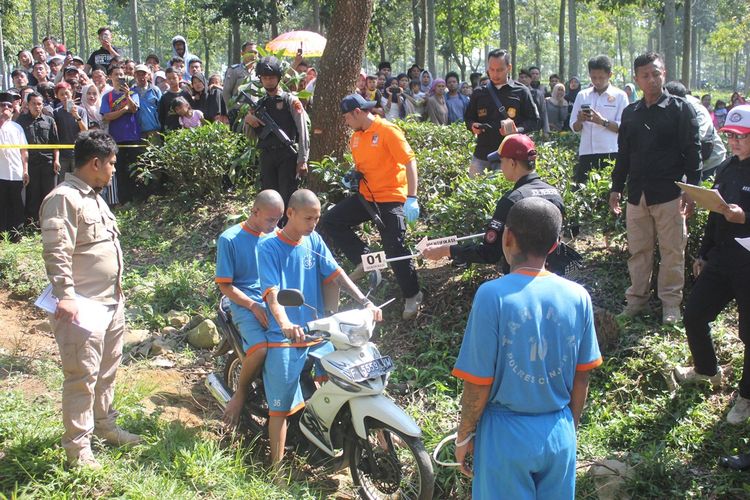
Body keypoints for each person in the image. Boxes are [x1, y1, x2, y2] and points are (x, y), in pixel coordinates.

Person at [452, 197, 602, 499]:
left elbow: (478, 382)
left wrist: (464, 435)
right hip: (559, 430)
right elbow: (581, 377)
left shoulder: (492, 295)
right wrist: (566, 431)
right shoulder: (578, 296)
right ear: (554, 245)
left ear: (508, 237)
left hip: (505, 437)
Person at [258, 189, 382, 469]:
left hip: (317, 332)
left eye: (316, 218)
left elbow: (336, 272)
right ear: (289, 214)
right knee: (280, 406)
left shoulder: (313, 239)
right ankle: (276, 470)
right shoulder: (268, 248)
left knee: (349, 381)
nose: (313, 224)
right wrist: (286, 324)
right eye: (308, 218)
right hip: (285, 337)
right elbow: (272, 293)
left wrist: (365, 301)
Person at [40, 130, 141, 469]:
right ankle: (78, 449)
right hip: (82, 308)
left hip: (110, 304)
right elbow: (57, 251)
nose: (114, 169)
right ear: (95, 163)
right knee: (81, 377)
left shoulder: (94, 197)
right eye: (111, 163)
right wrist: (66, 296)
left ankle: (105, 426)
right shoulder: (64, 198)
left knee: (106, 372)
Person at [609, 52, 701, 325]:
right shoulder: (631, 113)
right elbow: (623, 154)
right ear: (636, 79)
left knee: (672, 251)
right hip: (637, 194)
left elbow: (693, 153)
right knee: (638, 251)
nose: (651, 80)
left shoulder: (681, 110)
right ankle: (636, 300)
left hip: (670, 194)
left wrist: (691, 189)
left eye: (656, 73)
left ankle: (670, 305)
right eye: (645, 75)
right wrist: (616, 187)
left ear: (664, 73)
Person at [673, 104, 750, 427]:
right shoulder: (728, 168)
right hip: (722, 258)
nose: (734, 142)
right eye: (730, 135)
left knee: (748, 333)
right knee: (695, 314)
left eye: (741, 137)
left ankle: (745, 397)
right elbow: (716, 218)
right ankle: (707, 370)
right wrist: (703, 254)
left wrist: (745, 217)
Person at [320, 94, 423, 320]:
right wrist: (353, 176)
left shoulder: (387, 130)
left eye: (346, 116)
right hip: (366, 197)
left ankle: (412, 294)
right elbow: (364, 166)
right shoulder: (355, 138)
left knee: (395, 246)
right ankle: (366, 261)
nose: (345, 121)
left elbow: (409, 161)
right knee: (331, 220)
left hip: (391, 197)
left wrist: (412, 196)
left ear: (357, 112)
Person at [422, 134, 565, 274]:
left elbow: (490, 253)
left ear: (512, 163)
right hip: (553, 276)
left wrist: (446, 250)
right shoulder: (555, 193)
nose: (500, 166)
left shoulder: (512, 200)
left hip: (519, 282)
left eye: (501, 161)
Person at [217, 189, 285, 427]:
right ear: (255, 211)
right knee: (260, 349)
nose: (275, 225)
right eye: (270, 219)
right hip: (245, 302)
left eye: (279, 219)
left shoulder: (276, 236)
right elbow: (226, 286)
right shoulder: (230, 239)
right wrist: (253, 305)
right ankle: (240, 393)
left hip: (275, 299)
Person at [243, 56, 309, 210]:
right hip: (267, 155)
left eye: (271, 77)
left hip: (287, 155)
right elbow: (251, 137)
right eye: (265, 78)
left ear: (278, 78)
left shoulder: (291, 101)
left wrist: (302, 159)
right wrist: (249, 121)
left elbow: (303, 130)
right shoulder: (259, 105)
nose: (268, 81)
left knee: (287, 197)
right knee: (269, 198)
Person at [464, 49, 540, 177]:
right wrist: (472, 126)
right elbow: (468, 118)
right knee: (472, 191)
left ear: (509, 68)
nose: (494, 74)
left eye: (499, 70)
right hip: (482, 154)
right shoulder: (479, 93)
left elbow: (535, 121)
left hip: (511, 157)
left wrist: (517, 130)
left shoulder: (521, 91)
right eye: (491, 69)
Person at [569, 55, 629, 186]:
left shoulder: (620, 96)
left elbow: (624, 127)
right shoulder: (582, 95)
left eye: (601, 77)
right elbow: (573, 126)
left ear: (610, 75)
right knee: (583, 192)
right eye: (593, 77)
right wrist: (580, 121)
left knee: (609, 192)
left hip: (610, 153)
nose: (597, 81)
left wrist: (602, 121)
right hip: (586, 153)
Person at [664, 81, 727, 180]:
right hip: (688, 161)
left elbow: (697, 136)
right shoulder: (665, 106)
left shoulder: (698, 109)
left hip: (712, 161)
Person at [16, 92, 60, 225]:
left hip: (47, 162)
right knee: (32, 194)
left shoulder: (49, 120)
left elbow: (56, 143)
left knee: (49, 194)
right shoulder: (21, 121)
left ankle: (48, 223)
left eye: (39, 103)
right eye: (33, 103)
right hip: (31, 163)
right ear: (28, 105)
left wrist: (56, 160)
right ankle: (32, 224)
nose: (37, 106)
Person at [101, 65, 141, 204]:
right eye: (116, 74)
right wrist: (124, 110)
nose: (119, 77)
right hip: (116, 137)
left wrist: (127, 96)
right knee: (120, 170)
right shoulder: (107, 96)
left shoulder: (133, 92)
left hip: (133, 136)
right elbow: (106, 116)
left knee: (136, 167)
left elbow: (134, 108)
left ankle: (137, 198)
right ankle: (124, 200)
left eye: (121, 74)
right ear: (110, 77)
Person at [0, 92, 28, 242]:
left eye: (9, 106)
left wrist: (25, 170)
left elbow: (24, 150)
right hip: (1, 174)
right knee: (2, 206)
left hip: (16, 173)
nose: (5, 108)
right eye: (2, 105)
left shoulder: (17, 127)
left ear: (13, 109)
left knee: (17, 205)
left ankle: (16, 235)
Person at [52, 82, 88, 180]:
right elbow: (55, 135)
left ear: (71, 92)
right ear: (57, 96)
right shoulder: (56, 112)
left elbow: (85, 131)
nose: (65, 97)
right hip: (63, 155)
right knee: (63, 182)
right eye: (61, 94)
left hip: (77, 153)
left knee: (79, 182)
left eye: (67, 93)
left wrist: (76, 116)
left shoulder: (81, 111)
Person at [223, 41, 258, 124]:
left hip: (255, 113)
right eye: (250, 52)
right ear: (242, 54)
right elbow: (226, 93)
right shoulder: (234, 70)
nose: (253, 55)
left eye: (255, 52)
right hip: (238, 113)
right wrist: (232, 109)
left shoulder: (259, 72)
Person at [131, 64, 162, 142]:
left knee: (156, 152)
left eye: (143, 74)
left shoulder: (155, 90)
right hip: (137, 132)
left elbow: (162, 108)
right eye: (138, 75)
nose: (141, 77)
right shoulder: (131, 91)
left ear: (148, 75)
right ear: (134, 76)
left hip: (154, 130)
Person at [158, 67, 192, 133]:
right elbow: (161, 116)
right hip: (170, 130)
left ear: (179, 78)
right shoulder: (164, 97)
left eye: (174, 78)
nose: (171, 80)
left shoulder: (185, 94)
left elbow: (191, 110)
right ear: (166, 80)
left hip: (186, 130)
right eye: (169, 78)